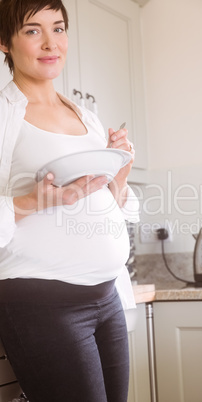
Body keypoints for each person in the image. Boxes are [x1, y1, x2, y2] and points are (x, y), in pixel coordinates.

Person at [0, 0, 139, 401]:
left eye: (58, 28)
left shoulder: (86, 116)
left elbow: (106, 203)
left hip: (106, 297)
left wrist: (120, 176)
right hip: (43, 304)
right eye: (32, 30)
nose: (50, 43)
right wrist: (32, 202)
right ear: (5, 43)